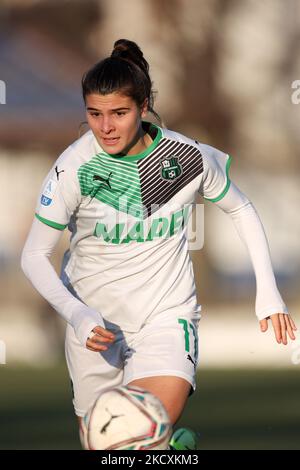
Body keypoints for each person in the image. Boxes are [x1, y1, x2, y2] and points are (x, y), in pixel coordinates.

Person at [21, 39, 297, 450]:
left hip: (165, 318)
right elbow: (33, 255)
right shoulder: (73, 168)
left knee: (136, 440)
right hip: (95, 328)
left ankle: (162, 444)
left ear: (144, 106)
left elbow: (240, 209)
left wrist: (268, 292)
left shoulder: (186, 158)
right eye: (94, 114)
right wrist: (77, 315)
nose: (105, 127)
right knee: (109, 447)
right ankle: (174, 448)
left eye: (119, 113)